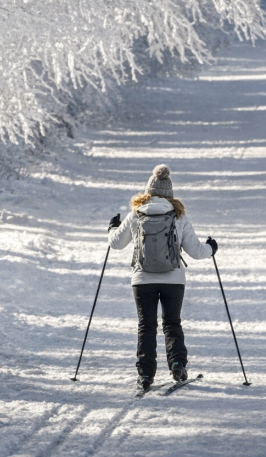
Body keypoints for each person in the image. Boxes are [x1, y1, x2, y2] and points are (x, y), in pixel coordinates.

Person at [108, 164, 217, 390]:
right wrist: (212, 248)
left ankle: (146, 374)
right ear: (170, 193)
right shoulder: (179, 217)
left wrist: (112, 228)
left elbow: (116, 244)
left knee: (146, 325)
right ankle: (177, 364)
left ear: (148, 191)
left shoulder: (135, 215)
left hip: (142, 279)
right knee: (171, 323)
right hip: (173, 280)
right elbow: (196, 251)